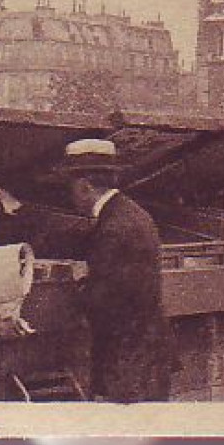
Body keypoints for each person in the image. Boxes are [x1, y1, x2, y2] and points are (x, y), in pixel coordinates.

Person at [53, 138, 176, 403]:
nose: (70, 196)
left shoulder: (114, 228)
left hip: (128, 365)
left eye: (70, 188)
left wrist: (79, 286)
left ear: (84, 186)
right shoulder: (129, 213)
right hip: (144, 357)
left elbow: (104, 301)